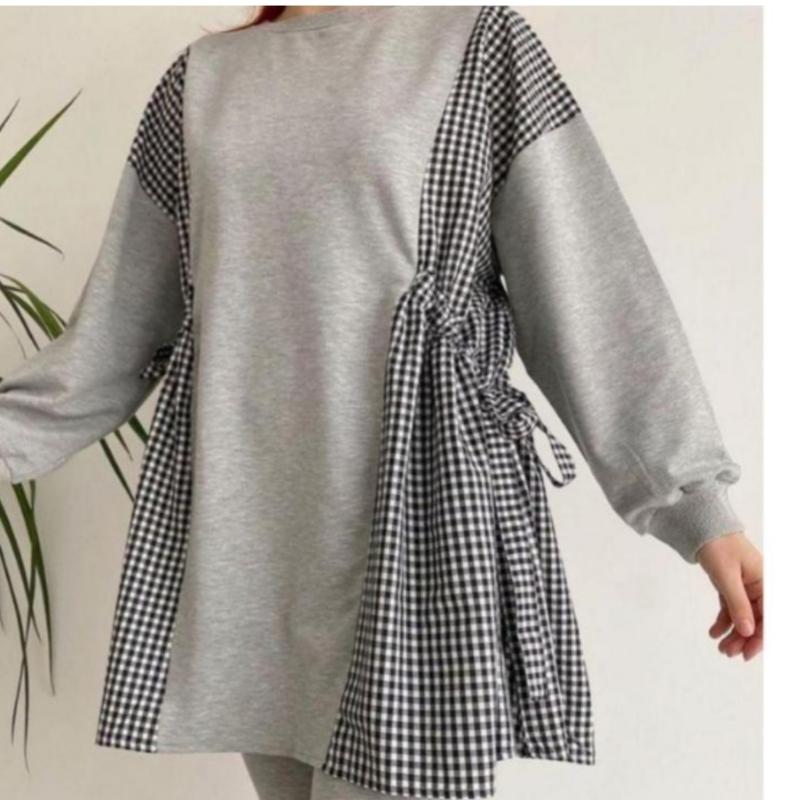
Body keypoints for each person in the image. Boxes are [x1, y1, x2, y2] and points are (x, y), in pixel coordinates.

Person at [0, 6, 762, 800]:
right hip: (252, 551)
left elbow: (588, 293)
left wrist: (697, 507)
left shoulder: (478, 47)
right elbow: (111, 342)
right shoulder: (200, 83)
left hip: (418, 533)